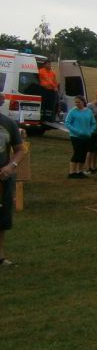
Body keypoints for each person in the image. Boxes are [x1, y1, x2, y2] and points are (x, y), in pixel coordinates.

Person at [0, 97, 27, 268]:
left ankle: (0, 257)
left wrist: (11, 166)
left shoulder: (8, 124)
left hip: (2, 180)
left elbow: (20, 149)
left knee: (1, 220)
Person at [64, 95, 96, 178]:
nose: (77, 104)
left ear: (83, 102)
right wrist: (76, 131)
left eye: (79, 102)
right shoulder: (72, 111)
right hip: (76, 136)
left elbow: (93, 123)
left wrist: (91, 131)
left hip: (87, 136)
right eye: (76, 102)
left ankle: (79, 171)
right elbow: (67, 123)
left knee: (83, 154)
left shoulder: (88, 111)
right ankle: (72, 172)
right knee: (77, 153)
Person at [85, 94, 97, 173]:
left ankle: (94, 166)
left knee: (96, 151)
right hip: (91, 131)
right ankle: (88, 167)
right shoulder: (89, 106)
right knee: (90, 150)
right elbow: (87, 117)